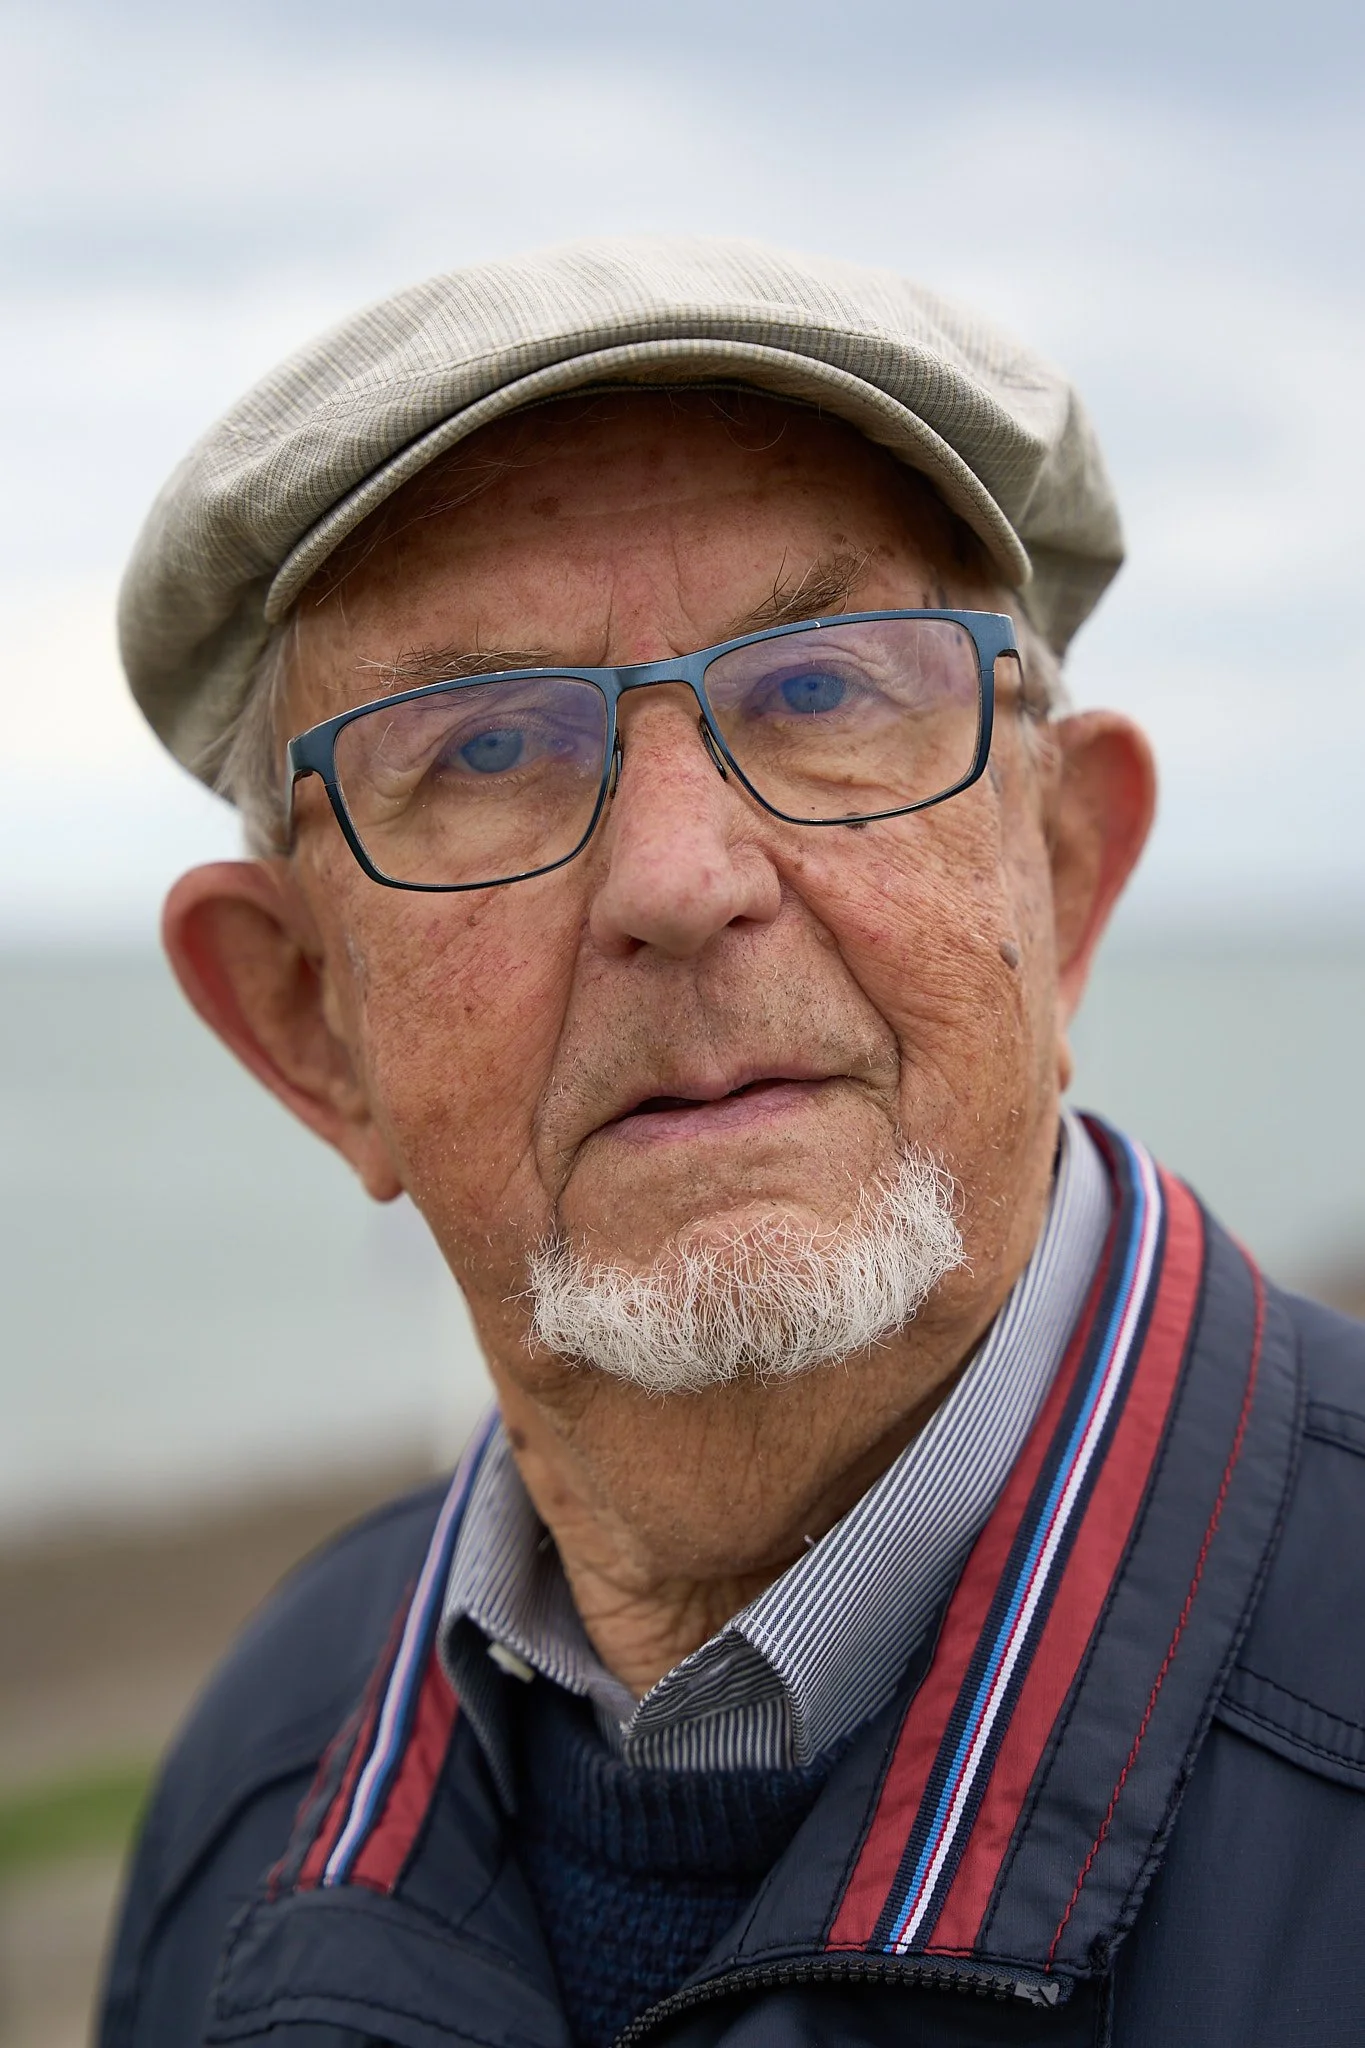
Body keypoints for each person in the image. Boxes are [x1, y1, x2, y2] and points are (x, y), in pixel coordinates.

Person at [99, 239, 1364, 2048]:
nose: (683, 882)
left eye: (830, 690)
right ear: (310, 1022)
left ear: (1064, 874)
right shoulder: (257, 1778)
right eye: (487, 749)